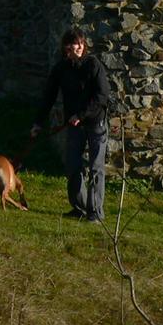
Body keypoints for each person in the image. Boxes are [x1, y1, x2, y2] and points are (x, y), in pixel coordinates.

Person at [31, 28, 111, 223]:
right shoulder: (61, 69)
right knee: (73, 166)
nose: (75, 47)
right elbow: (48, 96)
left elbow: (102, 96)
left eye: (78, 43)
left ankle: (96, 212)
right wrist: (38, 123)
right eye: (71, 44)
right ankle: (79, 207)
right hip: (74, 125)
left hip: (95, 123)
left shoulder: (94, 65)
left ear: (83, 45)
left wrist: (82, 115)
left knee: (95, 168)